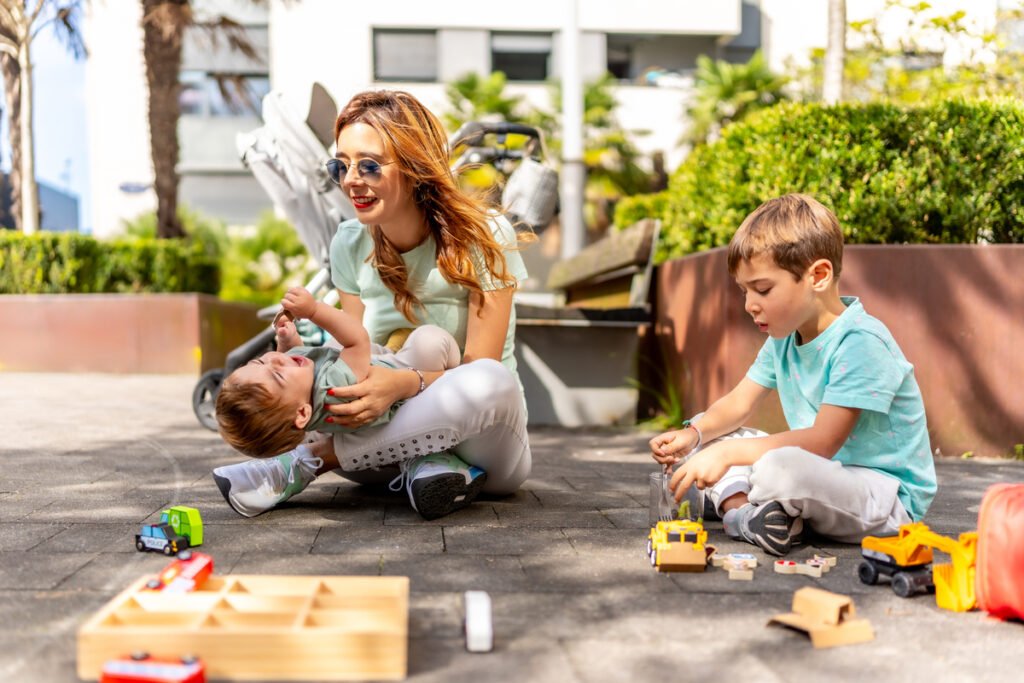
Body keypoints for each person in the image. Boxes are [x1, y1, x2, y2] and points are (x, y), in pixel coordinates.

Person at [212, 89, 533, 520]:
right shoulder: (349, 243)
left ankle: (309, 462)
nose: (350, 181)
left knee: (491, 380)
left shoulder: (485, 235)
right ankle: (424, 468)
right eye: (340, 166)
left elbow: (479, 366)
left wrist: (404, 385)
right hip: (382, 447)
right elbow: (352, 351)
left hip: (483, 445)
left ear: (416, 164)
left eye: (368, 165)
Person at [650, 193, 936, 556]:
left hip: (885, 500)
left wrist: (732, 456)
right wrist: (693, 436)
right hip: (824, 477)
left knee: (777, 466)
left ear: (817, 276)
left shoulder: (861, 342)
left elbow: (822, 442)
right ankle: (750, 516)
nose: (750, 304)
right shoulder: (784, 339)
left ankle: (735, 503)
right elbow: (738, 404)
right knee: (716, 439)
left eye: (763, 289)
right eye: (744, 291)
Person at [215, 286, 460, 457]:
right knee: (429, 340)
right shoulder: (334, 388)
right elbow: (357, 340)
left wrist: (288, 341)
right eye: (276, 375)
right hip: (405, 379)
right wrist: (314, 311)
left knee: (328, 349)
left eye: (260, 362)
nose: (275, 361)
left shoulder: (299, 397)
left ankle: (394, 347)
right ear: (302, 413)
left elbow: (293, 359)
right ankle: (454, 368)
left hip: (367, 365)